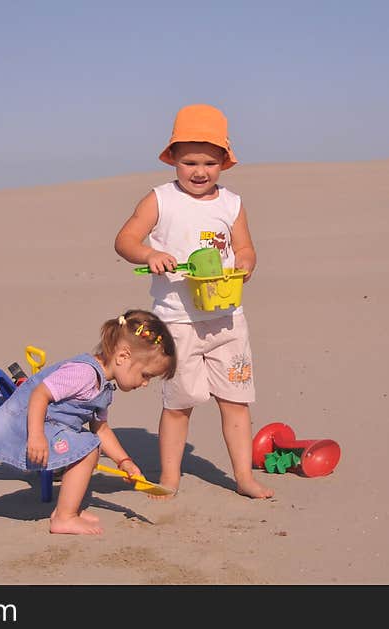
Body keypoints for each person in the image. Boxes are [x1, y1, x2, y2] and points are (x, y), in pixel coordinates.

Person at [114, 103, 274, 500]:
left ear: (224, 161)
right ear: (173, 161)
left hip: (227, 318)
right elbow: (126, 240)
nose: (199, 171)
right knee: (179, 402)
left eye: (209, 162)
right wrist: (149, 254)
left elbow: (245, 248)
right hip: (177, 323)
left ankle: (243, 477)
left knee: (235, 400)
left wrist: (246, 263)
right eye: (189, 162)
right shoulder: (161, 199)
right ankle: (170, 477)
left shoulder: (231, 204)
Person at [0, 309, 177, 535]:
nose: (145, 383)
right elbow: (39, 394)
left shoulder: (104, 386)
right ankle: (64, 517)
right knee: (89, 449)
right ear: (123, 356)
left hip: (50, 428)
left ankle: (71, 509)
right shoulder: (84, 373)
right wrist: (37, 435)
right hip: (27, 427)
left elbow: (101, 428)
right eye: (146, 375)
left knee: (90, 445)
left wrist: (124, 461)